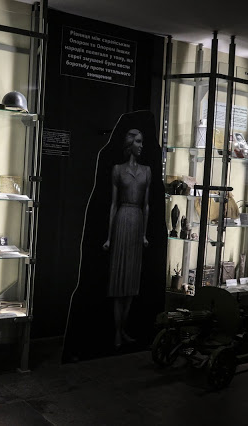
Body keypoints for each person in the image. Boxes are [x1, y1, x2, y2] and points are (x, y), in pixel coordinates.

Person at [102, 128, 151, 349]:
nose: (141, 146)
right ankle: (116, 332)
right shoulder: (118, 170)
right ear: (130, 144)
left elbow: (147, 205)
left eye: (142, 142)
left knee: (131, 281)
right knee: (117, 280)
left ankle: (123, 329)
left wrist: (144, 234)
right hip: (122, 219)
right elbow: (113, 204)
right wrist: (109, 237)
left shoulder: (147, 171)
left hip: (137, 221)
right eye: (138, 142)